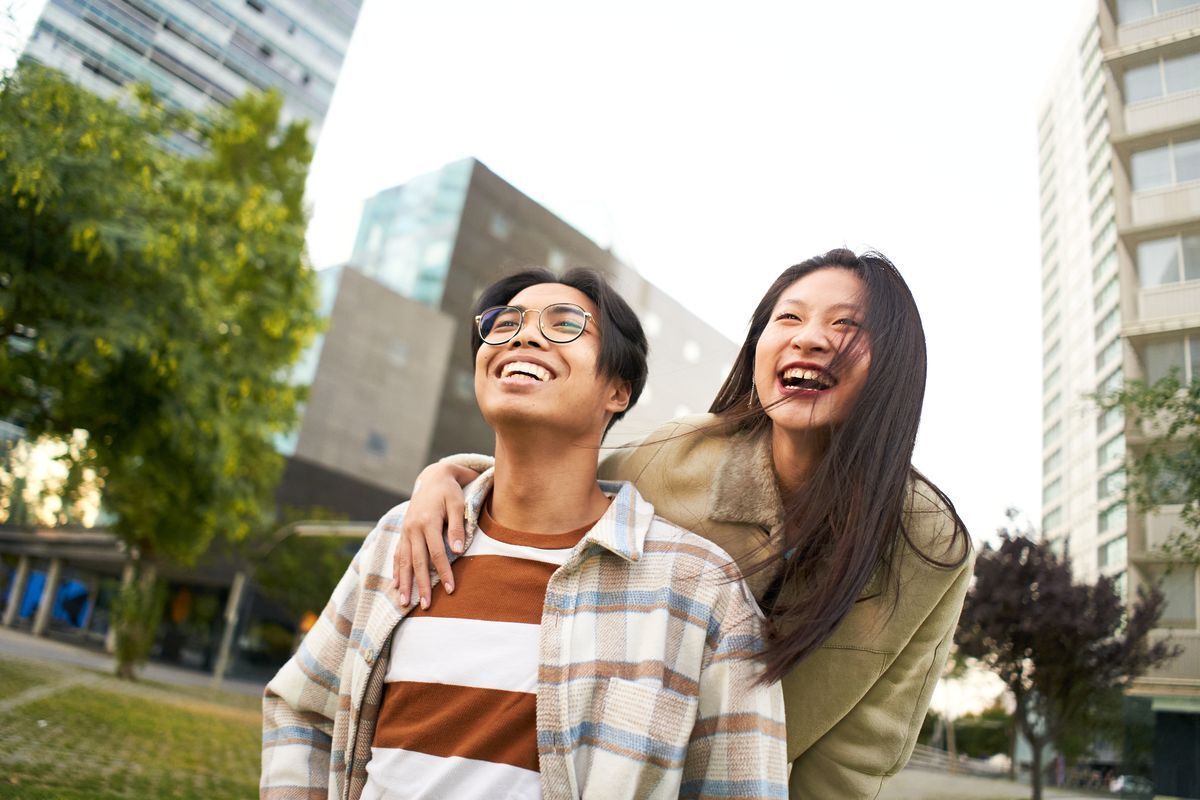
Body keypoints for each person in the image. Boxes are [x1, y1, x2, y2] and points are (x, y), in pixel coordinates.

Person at [397, 249, 975, 798]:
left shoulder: (929, 543)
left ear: (896, 360)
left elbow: (860, 753)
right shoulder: (676, 457)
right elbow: (556, 484)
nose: (809, 337)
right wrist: (451, 477)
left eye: (846, 325)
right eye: (787, 318)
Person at [261, 268, 788, 800]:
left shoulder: (701, 589)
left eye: (565, 325)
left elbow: (742, 785)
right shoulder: (405, 536)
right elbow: (303, 709)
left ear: (617, 388)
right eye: (503, 323)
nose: (522, 334)